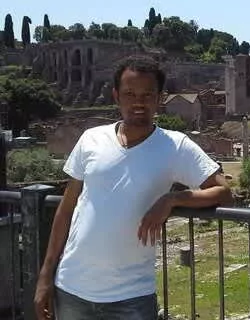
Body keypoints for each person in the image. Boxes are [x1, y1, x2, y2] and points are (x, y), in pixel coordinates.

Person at [34, 56, 233, 320]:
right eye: (129, 93)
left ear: (159, 98)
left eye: (147, 94)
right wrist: (45, 275)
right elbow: (66, 209)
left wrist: (172, 199)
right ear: (116, 96)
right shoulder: (91, 139)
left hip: (132, 298)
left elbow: (224, 192)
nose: (138, 102)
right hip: (71, 289)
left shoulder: (176, 146)